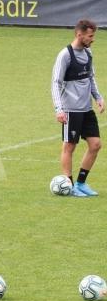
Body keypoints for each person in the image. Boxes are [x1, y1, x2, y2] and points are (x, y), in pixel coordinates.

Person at [51, 19, 104, 197]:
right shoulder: (65, 55)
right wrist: (59, 109)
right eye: (90, 36)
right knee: (69, 147)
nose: (92, 39)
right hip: (70, 110)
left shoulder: (88, 53)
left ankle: (81, 183)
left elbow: (91, 77)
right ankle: (69, 184)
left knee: (95, 145)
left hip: (86, 109)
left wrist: (98, 97)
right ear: (79, 34)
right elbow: (55, 83)